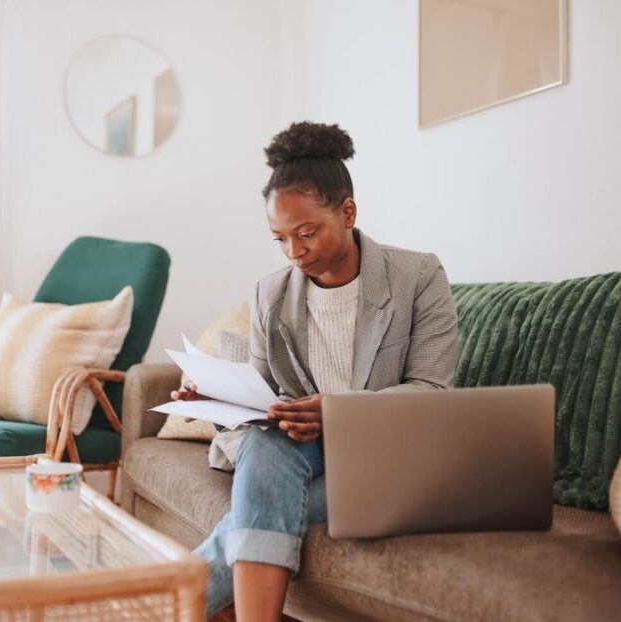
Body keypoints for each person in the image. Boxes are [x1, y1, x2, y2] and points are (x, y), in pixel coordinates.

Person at [171, 121, 459, 621]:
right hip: (302, 453)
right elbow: (264, 397)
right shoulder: (271, 293)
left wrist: (341, 412)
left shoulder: (418, 276)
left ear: (347, 211)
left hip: (388, 453)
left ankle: (151, 608)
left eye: (306, 233)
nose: (294, 252)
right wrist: (216, 400)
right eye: (279, 238)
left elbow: (433, 392)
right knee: (265, 442)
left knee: (258, 511)